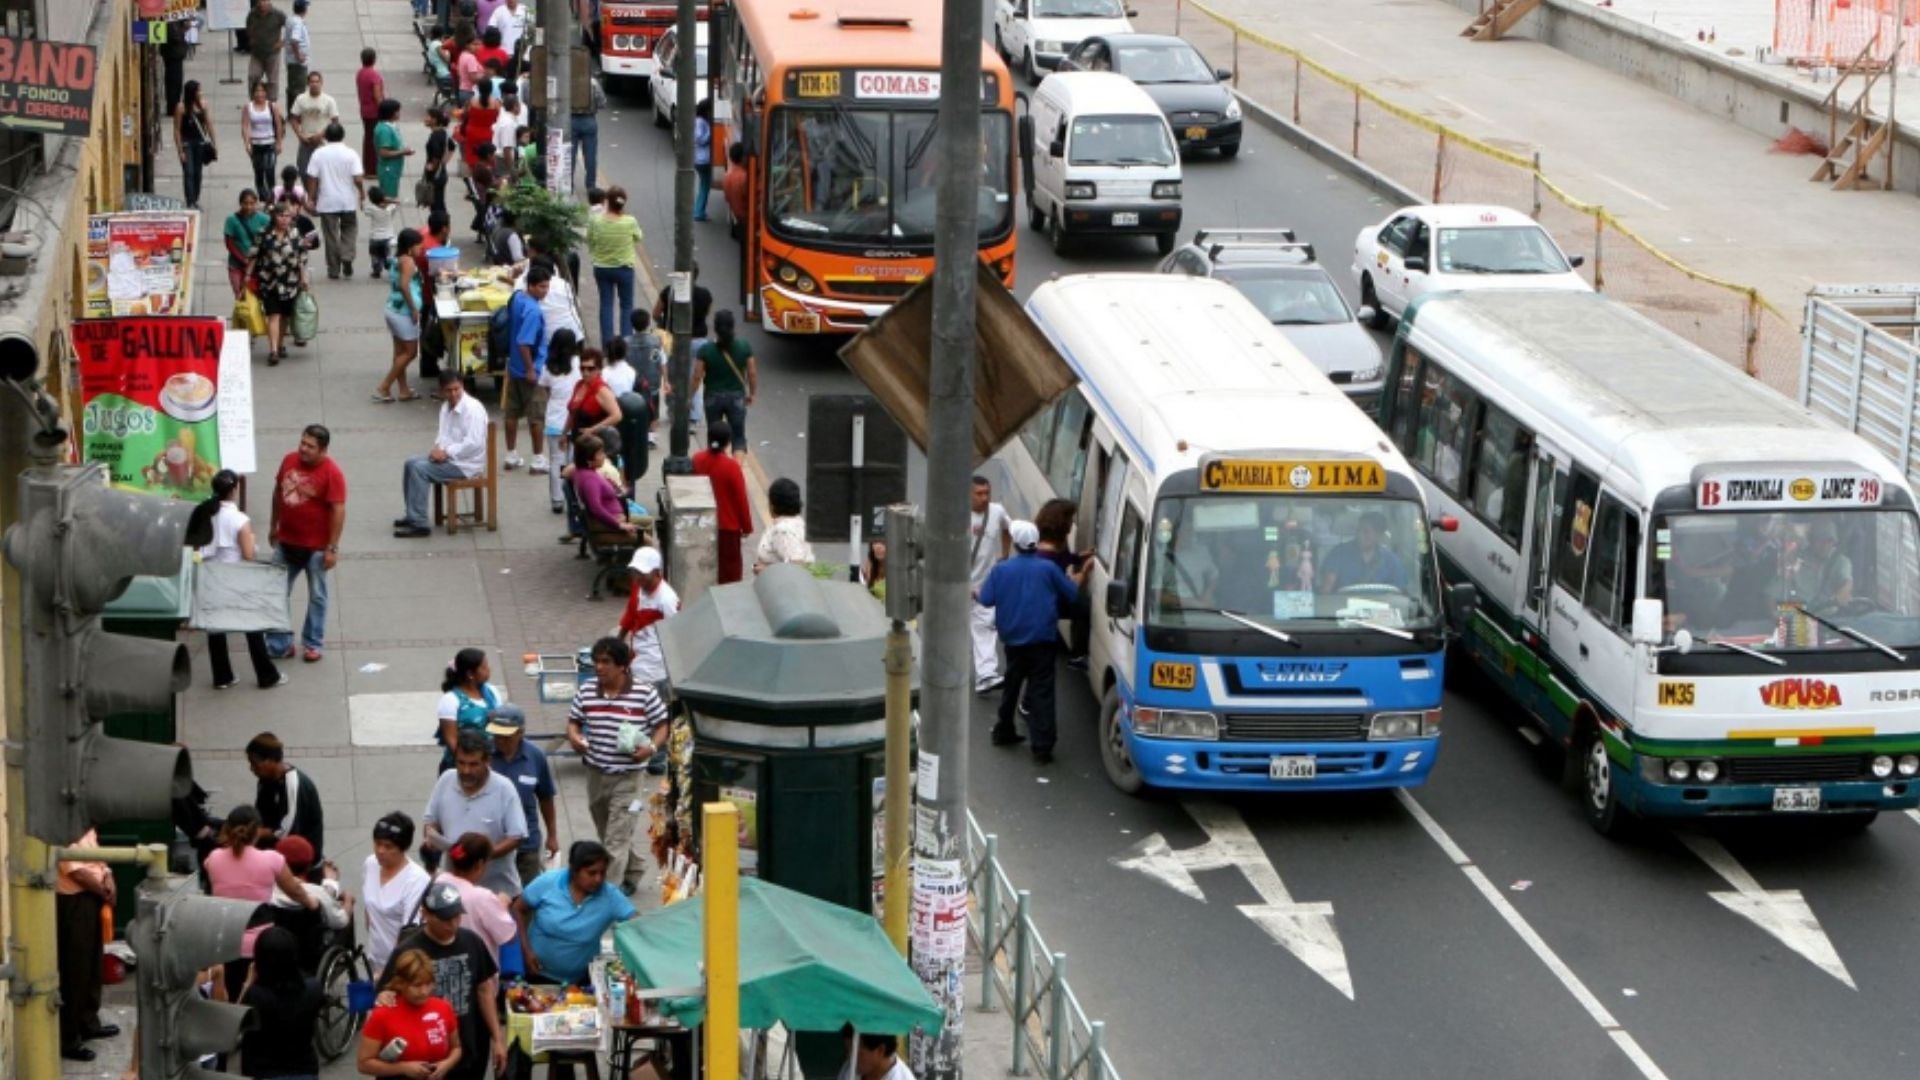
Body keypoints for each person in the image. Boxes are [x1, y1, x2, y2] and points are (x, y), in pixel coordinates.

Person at [566, 637, 668, 895]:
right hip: (595, 774)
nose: (599, 667)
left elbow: (662, 726)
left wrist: (651, 748)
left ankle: (606, 894)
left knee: (615, 839)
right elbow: (574, 721)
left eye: (606, 662)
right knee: (607, 832)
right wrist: (574, 737)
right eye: (596, 661)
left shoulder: (644, 693)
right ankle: (635, 868)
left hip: (629, 778)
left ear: (623, 666)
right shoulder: (587, 690)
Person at [979, 520, 1085, 764]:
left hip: (1013, 641)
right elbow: (1072, 594)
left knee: (1012, 685)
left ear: (1015, 544)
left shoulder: (1001, 570)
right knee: (1042, 692)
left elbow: (986, 599)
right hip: (1042, 640)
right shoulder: (1048, 568)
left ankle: (1004, 729)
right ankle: (1042, 746)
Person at [377, 882, 503, 1080]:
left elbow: (484, 990)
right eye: (445, 919)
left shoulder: (472, 941)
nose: (453, 925)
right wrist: (384, 997)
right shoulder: (407, 951)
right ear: (425, 914)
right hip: (421, 1057)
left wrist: (497, 1038)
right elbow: (386, 995)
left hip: (466, 1050)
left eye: (457, 917)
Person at [205, 805, 320, 998]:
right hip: (258, 947)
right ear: (257, 831)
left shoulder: (213, 859)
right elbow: (295, 891)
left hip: (223, 943)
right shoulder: (271, 860)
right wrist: (311, 903)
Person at [188, 472, 286, 689]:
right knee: (252, 627)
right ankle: (266, 675)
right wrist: (253, 540)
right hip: (235, 578)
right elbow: (249, 554)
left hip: (210, 576)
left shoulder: (204, 512)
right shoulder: (239, 519)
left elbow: (196, 545)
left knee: (216, 629)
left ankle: (222, 676)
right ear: (234, 490)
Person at [268, 423, 346, 662]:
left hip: (316, 549)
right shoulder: (288, 460)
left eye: (310, 446)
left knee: (317, 597)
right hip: (286, 543)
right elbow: (277, 493)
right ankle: (280, 643)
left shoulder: (332, 473)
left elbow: (338, 510)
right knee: (275, 592)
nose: (303, 449)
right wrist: (273, 526)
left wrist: (332, 548)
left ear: (323, 450)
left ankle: (312, 643)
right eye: (302, 443)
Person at [512, 840, 637, 986]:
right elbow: (517, 909)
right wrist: (525, 950)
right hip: (536, 974)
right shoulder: (548, 883)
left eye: (602, 873)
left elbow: (636, 922)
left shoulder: (610, 896)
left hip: (580, 981)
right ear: (574, 870)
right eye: (591, 873)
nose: (598, 879)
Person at [422, 730, 529, 895]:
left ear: (487, 761)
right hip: (454, 892)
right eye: (461, 763)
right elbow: (431, 821)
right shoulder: (446, 780)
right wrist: (431, 837)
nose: (466, 770)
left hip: (497, 892)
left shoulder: (504, 788)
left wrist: (480, 857)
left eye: (473, 764)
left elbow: (516, 836)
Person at [395, 371, 488, 537]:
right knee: (410, 462)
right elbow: (443, 435)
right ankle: (412, 514)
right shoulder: (446, 407)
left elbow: (474, 444)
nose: (453, 394)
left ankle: (419, 523)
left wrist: (446, 452)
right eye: (449, 390)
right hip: (450, 458)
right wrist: (438, 449)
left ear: (462, 386)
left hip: (466, 464)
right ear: (442, 390)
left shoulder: (473, 409)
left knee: (419, 469)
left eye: (456, 389)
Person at [56, 829, 116, 1062]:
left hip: (92, 897)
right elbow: (77, 872)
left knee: (92, 964)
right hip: (73, 900)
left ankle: (88, 1023)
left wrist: (108, 877)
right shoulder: (59, 829)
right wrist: (104, 891)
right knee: (75, 969)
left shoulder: (85, 826)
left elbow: (99, 859)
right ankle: (69, 1038)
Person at [357, 948, 461, 1078]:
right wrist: (403, 1068)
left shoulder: (443, 1007)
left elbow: (456, 1048)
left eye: (429, 984)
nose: (424, 991)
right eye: (417, 985)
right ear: (401, 983)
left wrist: (447, 1064)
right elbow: (364, 1063)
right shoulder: (382, 1015)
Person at [237, 926, 324, 1080]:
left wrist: (247, 984)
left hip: (264, 1071)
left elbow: (237, 1023)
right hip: (304, 1069)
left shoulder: (255, 996)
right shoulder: (313, 988)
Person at [486, 705, 560, 887]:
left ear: (520, 733)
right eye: (497, 735)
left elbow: (546, 798)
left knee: (527, 895)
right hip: (492, 843)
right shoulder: (484, 754)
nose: (500, 741)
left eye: (506, 736)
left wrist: (552, 835)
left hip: (526, 844)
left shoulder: (535, 757)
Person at [361, 812, 432, 973]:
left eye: (388, 847)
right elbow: (369, 909)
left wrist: (389, 972)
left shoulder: (416, 881)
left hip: (400, 966)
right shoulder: (370, 864)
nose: (380, 851)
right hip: (375, 958)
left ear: (403, 848)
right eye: (377, 844)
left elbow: (410, 935)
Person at [502, 263, 550, 472]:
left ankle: (511, 455)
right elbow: (524, 342)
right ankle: (538, 459)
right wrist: (531, 370)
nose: (545, 291)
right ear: (531, 286)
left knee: (511, 413)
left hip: (514, 367)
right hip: (531, 370)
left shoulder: (518, 298)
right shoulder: (533, 311)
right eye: (541, 287)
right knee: (536, 416)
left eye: (547, 286)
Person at [246, 202, 307, 364]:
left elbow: (301, 258)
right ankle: (273, 350)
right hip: (269, 281)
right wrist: (247, 276)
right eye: (281, 216)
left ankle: (280, 344)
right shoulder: (263, 234)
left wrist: (303, 278)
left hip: (290, 282)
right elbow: (253, 255)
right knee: (273, 314)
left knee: (285, 315)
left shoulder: (295, 234)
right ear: (274, 217)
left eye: (287, 216)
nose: (284, 219)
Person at [247, 733, 323, 860]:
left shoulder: (293, 784)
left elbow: (287, 831)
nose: (252, 768)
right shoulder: (265, 780)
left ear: (271, 760)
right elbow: (260, 816)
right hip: (273, 855)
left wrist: (259, 833)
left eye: (255, 764)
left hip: (300, 862)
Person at [968, 475, 1012, 693]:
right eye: (979, 494)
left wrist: (1005, 555)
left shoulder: (997, 511)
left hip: (983, 584)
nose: (984, 498)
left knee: (984, 625)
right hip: (956, 585)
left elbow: (1008, 529)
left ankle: (985, 675)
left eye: (987, 493)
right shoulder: (955, 515)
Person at [1034, 497, 1091, 667]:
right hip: (1048, 601)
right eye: (1070, 519)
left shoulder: (1054, 542)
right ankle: (1078, 655)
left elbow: (1063, 558)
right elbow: (1069, 589)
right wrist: (1084, 571)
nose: (1072, 522)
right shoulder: (1047, 557)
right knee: (1083, 608)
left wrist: (1079, 557)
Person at [693, 420, 752, 583]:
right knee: (729, 575)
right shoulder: (731, 466)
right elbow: (741, 499)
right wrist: (747, 526)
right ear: (728, 442)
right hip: (727, 528)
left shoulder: (697, 459)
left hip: (703, 523)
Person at [307, 122, 366, 279]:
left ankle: (333, 268)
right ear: (343, 135)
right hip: (347, 201)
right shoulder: (351, 154)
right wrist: (362, 193)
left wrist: (311, 198)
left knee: (330, 235)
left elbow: (312, 178)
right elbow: (358, 179)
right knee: (350, 229)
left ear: (326, 136)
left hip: (327, 202)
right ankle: (347, 256)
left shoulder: (318, 154)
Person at [618, 546, 679, 699]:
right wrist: (618, 641)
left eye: (642, 574)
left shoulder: (667, 600)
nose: (637, 578)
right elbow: (630, 614)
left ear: (656, 572)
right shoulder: (638, 586)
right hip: (637, 660)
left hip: (656, 669)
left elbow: (676, 636)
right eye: (635, 572)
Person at [587, 185, 644, 346]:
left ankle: (608, 344)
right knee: (626, 305)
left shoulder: (596, 220)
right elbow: (638, 237)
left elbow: (590, 239)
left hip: (602, 267)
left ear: (606, 201)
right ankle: (626, 343)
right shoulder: (630, 221)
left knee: (606, 304)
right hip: (624, 268)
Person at [375, 227, 427, 403]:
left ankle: (404, 390)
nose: (420, 249)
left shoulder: (398, 259)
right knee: (410, 352)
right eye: (418, 246)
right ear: (410, 247)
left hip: (393, 309)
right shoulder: (408, 262)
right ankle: (384, 386)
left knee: (399, 353)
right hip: (403, 313)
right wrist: (413, 309)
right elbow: (405, 285)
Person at [694, 309, 757, 450]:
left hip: (712, 396)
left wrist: (689, 396)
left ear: (715, 328)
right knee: (738, 436)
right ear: (733, 326)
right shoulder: (744, 346)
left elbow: (697, 376)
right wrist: (752, 393)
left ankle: (716, 461)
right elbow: (752, 373)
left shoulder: (705, 350)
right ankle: (737, 463)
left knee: (714, 436)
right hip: (736, 397)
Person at [540, 329, 582, 514]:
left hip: (555, 419)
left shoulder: (548, 367)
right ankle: (574, 497)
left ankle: (557, 500)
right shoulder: (579, 364)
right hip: (575, 419)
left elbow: (547, 390)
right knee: (575, 460)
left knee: (556, 460)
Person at [436, 648, 502, 768]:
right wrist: (467, 763)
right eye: (484, 667)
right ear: (470, 674)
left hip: (490, 762)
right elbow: (451, 738)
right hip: (462, 766)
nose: (489, 669)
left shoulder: (491, 691)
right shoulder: (451, 700)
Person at [1318, 511, 1408, 593]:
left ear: (1379, 535)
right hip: (1343, 605)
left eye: (1366, 532)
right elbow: (1327, 589)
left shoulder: (1392, 561)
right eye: (1358, 530)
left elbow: (1399, 593)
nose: (1360, 535)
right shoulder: (1338, 554)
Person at [571, 437, 639, 536]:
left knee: (648, 523)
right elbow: (595, 508)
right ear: (588, 459)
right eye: (600, 453)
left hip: (614, 521)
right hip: (609, 526)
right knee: (649, 539)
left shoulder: (588, 473)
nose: (604, 456)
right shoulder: (589, 479)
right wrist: (619, 525)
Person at [1790, 519, 1854, 614]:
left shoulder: (1841, 561)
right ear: (1811, 540)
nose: (1825, 545)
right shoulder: (1796, 559)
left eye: (1829, 541)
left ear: (1835, 542)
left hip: (1830, 617)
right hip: (1798, 614)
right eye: (1820, 540)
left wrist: (1841, 595)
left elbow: (1846, 583)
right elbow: (1774, 593)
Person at [754, 478, 814, 572]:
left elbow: (797, 567)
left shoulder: (783, 530)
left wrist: (765, 570)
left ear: (773, 505)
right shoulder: (797, 521)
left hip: (779, 581)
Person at [564, 344, 622, 441]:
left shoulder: (601, 389)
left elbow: (617, 416)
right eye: (582, 368)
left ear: (599, 369)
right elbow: (572, 413)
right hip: (578, 441)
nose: (585, 372)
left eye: (590, 369)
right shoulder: (579, 385)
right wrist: (564, 433)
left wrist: (593, 430)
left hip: (594, 442)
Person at [175, 79, 217, 210]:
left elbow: (209, 124)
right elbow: (177, 130)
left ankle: (196, 198)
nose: (201, 93)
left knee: (198, 172)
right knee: (189, 172)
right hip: (187, 143)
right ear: (192, 92)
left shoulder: (203, 105)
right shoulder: (181, 107)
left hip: (200, 143)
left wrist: (214, 143)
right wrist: (180, 150)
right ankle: (190, 201)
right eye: (198, 90)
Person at [289, 70, 337, 179]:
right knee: (303, 171)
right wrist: (299, 134)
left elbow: (335, 121)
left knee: (322, 173)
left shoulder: (329, 100)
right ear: (308, 83)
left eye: (317, 82)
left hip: (322, 142)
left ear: (321, 83)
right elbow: (293, 118)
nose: (314, 84)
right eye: (312, 82)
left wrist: (322, 134)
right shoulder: (301, 99)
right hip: (305, 141)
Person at [224, 188, 269, 300]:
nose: (248, 207)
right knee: (240, 296)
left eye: (252, 203)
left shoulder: (264, 219)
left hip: (257, 266)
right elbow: (229, 243)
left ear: (256, 203)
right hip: (236, 265)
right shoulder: (232, 220)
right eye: (245, 203)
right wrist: (243, 259)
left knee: (257, 296)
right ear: (240, 203)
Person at [244, 0, 287, 101]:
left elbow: (291, 28)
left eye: (264, 1)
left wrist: (283, 42)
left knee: (272, 81)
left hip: (272, 53)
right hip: (256, 53)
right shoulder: (252, 13)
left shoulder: (278, 14)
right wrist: (251, 37)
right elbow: (248, 26)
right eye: (259, 1)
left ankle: (272, 102)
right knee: (253, 76)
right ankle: (254, 101)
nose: (261, 4)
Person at [371, 99, 411, 206]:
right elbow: (384, 153)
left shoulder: (390, 126)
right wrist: (403, 152)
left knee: (390, 196)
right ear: (391, 113)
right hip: (388, 170)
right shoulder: (384, 130)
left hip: (393, 168)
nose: (399, 113)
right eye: (397, 111)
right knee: (388, 199)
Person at [454, 79, 499, 173]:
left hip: (472, 132)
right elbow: (497, 118)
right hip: (488, 132)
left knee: (472, 156)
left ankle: (474, 174)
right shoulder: (496, 103)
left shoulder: (472, 101)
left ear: (478, 88)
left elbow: (465, 115)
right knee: (487, 155)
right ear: (491, 89)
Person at [570, 73, 606, 189]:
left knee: (570, 154)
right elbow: (602, 103)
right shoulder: (593, 82)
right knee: (590, 155)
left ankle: (568, 183)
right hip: (589, 120)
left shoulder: (568, 81)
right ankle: (591, 185)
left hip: (571, 120)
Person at [356, 48, 385, 179]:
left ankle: (367, 167)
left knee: (368, 139)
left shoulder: (360, 73)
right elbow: (377, 96)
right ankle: (372, 170)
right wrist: (384, 110)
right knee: (374, 141)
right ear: (374, 59)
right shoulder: (374, 75)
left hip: (364, 110)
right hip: (374, 112)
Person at [842, 1030, 915, 1080]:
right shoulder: (852, 1066)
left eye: (858, 1053)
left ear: (880, 1050)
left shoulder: (900, 1077)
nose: (850, 1057)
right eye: (848, 1051)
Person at [364, 186, 402, 279]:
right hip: (388, 237)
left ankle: (376, 270)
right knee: (388, 254)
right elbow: (397, 202)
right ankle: (388, 265)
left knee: (375, 255)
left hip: (375, 238)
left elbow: (364, 210)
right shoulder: (390, 208)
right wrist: (389, 200)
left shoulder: (371, 209)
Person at [421, 106, 452, 219]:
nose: (425, 119)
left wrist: (433, 166)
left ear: (434, 120)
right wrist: (444, 162)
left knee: (436, 206)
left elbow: (436, 155)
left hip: (435, 176)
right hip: (441, 173)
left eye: (427, 116)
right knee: (438, 203)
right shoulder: (442, 132)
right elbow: (452, 147)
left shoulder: (435, 136)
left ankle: (442, 225)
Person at [281, 0, 310, 112]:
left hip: (290, 60)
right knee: (299, 89)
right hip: (297, 63)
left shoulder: (290, 19)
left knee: (292, 88)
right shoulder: (298, 23)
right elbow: (294, 40)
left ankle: (291, 112)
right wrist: (298, 56)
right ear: (305, 9)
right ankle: (296, 114)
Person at [487, 0, 530, 68]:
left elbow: (531, 29)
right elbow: (491, 27)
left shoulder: (525, 10)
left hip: (522, 52)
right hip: (504, 52)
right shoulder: (499, 11)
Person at [692, 97, 714, 220]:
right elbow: (700, 139)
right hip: (703, 159)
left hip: (699, 158)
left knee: (703, 185)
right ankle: (699, 212)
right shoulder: (700, 122)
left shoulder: (698, 121)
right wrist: (711, 133)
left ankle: (698, 210)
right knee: (705, 186)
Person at [722, 141, 748, 233]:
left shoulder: (727, 176)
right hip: (746, 219)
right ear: (743, 158)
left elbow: (727, 198)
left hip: (737, 217)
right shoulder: (744, 177)